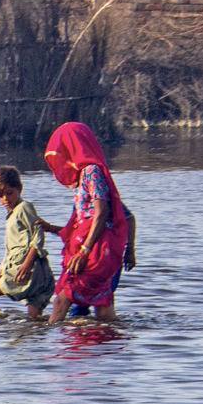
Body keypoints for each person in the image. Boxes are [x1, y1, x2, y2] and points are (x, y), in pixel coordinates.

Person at [43, 121, 136, 323]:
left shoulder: (92, 171)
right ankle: (108, 350)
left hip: (97, 251)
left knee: (63, 301)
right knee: (103, 313)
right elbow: (87, 218)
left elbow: (101, 213)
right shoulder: (82, 175)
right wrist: (50, 228)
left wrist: (84, 251)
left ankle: (49, 346)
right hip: (95, 249)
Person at [0, 165, 56, 320]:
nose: (5, 199)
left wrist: (27, 263)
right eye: (0, 195)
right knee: (34, 319)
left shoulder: (23, 207)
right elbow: (9, 252)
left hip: (24, 267)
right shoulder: (12, 214)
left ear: (19, 188)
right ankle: (36, 342)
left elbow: (38, 235)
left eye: (9, 193)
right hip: (35, 271)